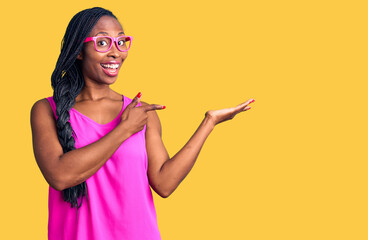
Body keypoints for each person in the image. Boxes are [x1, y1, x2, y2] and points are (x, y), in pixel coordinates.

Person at [30, 7, 255, 240]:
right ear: (79, 50)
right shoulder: (47, 110)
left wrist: (210, 122)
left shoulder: (141, 113)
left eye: (121, 42)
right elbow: (59, 176)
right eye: (103, 43)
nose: (116, 53)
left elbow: (164, 184)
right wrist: (124, 130)